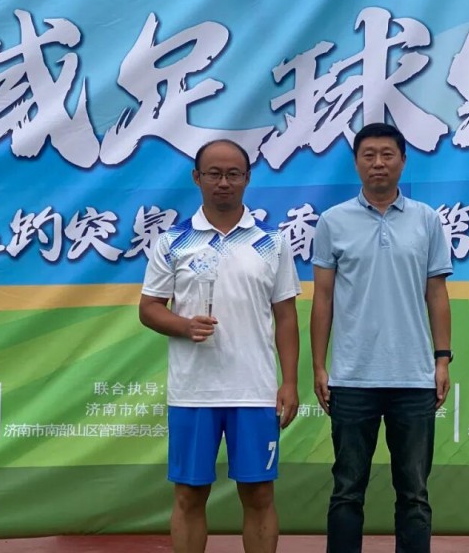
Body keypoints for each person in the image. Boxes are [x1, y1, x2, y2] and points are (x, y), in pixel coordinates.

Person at [139, 139, 301, 553]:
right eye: (214, 173)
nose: (223, 182)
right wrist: (184, 325)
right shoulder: (173, 241)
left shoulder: (272, 242)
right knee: (189, 495)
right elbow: (149, 309)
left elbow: (286, 317)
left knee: (259, 494)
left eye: (233, 174)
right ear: (197, 178)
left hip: (254, 392)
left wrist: (289, 383)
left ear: (247, 178)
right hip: (194, 393)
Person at [310, 123, 453, 553]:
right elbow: (322, 299)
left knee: (414, 493)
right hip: (352, 377)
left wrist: (441, 359)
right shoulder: (332, 221)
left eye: (387, 154)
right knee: (347, 490)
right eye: (368, 154)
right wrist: (319, 366)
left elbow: (437, 293)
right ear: (356, 163)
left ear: (403, 161)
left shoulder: (426, 220)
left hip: (413, 378)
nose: (378, 163)